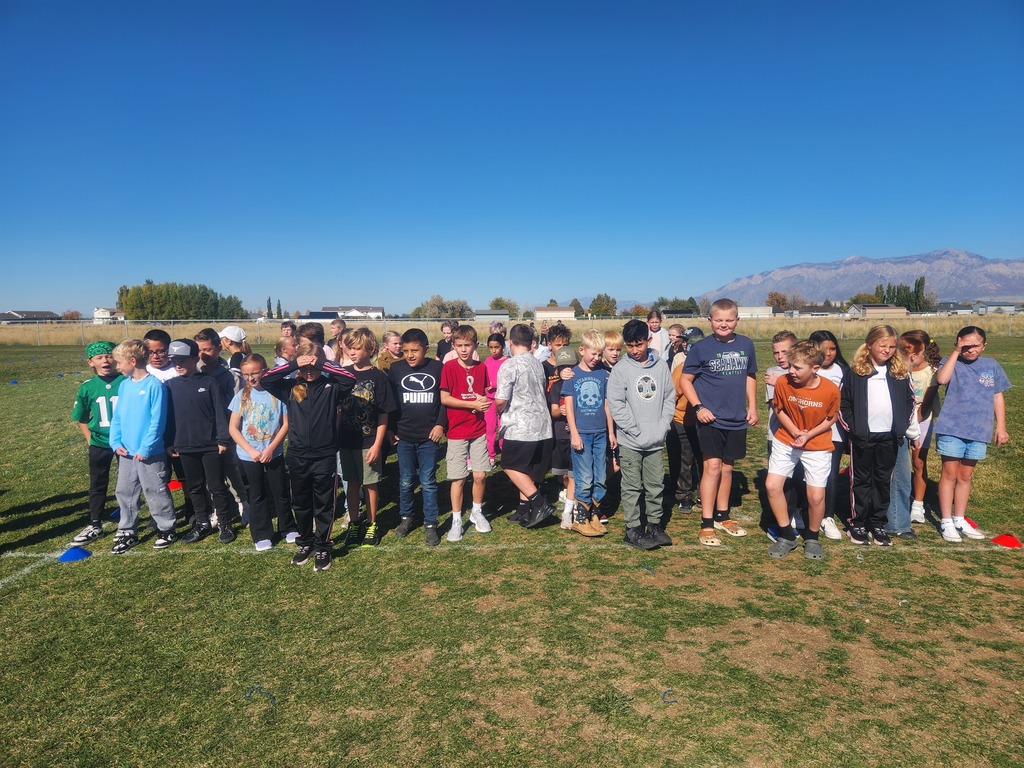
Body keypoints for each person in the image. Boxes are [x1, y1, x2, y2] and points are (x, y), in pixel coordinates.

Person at [262, 341, 356, 571]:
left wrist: (322, 363)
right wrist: (294, 365)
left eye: (313, 367)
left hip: (324, 455)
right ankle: (306, 542)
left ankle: (323, 545)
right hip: (297, 455)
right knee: (301, 502)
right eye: (305, 368)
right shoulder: (292, 386)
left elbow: (350, 379)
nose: (309, 372)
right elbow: (266, 379)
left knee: (324, 503)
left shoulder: (332, 385)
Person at [680, 298, 758, 546]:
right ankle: (706, 522)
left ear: (737, 320)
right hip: (710, 419)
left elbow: (750, 376)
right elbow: (685, 381)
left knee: (727, 468)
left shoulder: (747, 344)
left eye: (729, 320)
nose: (724, 324)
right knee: (712, 467)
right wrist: (699, 407)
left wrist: (753, 407)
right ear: (710, 321)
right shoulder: (700, 348)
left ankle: (723, 517)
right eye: (718, 320)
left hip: (736, 418)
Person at [839, 325, 916, 546]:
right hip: (863, 437)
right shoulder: (855, 372)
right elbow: (843, 403)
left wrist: (901, 426)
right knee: (861, 481)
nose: (888, 350)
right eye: (883, 345)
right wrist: (854, 428)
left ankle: (878, 523)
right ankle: (858, 523)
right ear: (870, 344)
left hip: (890, 437)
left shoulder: (899, 372)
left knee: (883, 481)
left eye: (892, 346)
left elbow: (910, 400)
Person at [763, 342, 840, 559]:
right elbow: (779, 410)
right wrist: (796, 431)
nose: (791, 372)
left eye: (798, 368)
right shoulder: (783, 383)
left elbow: (831, 418)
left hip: (817, 444)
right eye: (790, 366)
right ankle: (787, 534)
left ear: (815, 369)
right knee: (772, 485)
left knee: (815, 496)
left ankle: (812, 538)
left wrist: (808, 435)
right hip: (786, 439)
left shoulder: (830, 389)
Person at [933, 326, 1010, 542]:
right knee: (949, 474)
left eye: (975, 345)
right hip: (952, 428)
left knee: (965, 476)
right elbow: (942, 380)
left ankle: (959, 518)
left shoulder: (991, 366)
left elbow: (997, 396)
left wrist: (1000, 427)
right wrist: (956, 353)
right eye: (965, 345)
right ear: (958, 343)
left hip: (979, 430)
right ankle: (946, 521)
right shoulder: (951, 361)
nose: (970, 350)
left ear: (984, 346)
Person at [607, 319, 675, 549]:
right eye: (630, 346)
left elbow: (668, 397)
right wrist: (634, 430)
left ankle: (655, 526)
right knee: (632, 486)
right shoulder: (621, 370)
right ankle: (633, 529)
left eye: (639, 344)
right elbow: (616, 404)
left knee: (656, 484)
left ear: (648, 340)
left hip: (655, 440)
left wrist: (662, 425)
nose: (635, 350)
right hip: (630, 440)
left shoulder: (661, 366)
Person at [107, 340, 178, 553]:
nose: (116, 367)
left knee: (154, 490)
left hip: (150, 453)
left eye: (119, 363)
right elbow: (118, 417)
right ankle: (127, 530)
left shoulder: (154, 386)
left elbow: (157, 422)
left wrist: (147, 448)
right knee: (125, 491)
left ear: (132, 361)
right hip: (127, 452)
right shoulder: (125, 385)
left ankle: (166, 528)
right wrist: (115, 441)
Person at [165, 338, 236, 545]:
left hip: (210, 445)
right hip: (184, 446)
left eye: (183, 360)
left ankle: (224, 523)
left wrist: (222, 439)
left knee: (216, 486)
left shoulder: (209, 383)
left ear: (195, 358)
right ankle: (202, 523)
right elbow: (168, 418)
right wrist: (170, 442)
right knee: (194, 487)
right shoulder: (170, 386)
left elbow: (220, 414)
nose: (178, 364)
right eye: (174, 360)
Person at [228, 354, 297, 551]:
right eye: (246, 374)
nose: (250, 378)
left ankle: (288, 528)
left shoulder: (276, 393)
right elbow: (233, 428)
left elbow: (286, 424)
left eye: (255, 373)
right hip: (249, 456)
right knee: (257, 495)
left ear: (265, 371)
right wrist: (250, 450)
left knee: (281, 492)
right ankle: (261, 534)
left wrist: (271, 448)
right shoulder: (241, 395)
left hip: (272, 453)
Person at [388, 328, 448, 546]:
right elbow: (391, 404)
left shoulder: (437, 368)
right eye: (405, 351)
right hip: (403, 437)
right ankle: (406, 518)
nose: (410, 355)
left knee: (428, 481)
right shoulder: (395, 369)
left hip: (429, 438)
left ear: (426, 349)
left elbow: (444, 401)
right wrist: (390, 429)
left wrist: (441, 424)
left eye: (415, 350)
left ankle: (430, 523)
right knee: (405, 481)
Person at [338, 328, 396, 548]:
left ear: (370, 349)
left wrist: (377, 444)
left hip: (368, 442)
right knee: (352, 484)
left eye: (357, 348)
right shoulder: (342, 374)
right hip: (346, 441)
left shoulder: (378, 377)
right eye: (349, 347)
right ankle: (354, 522)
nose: (352, 352)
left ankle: (372, 524)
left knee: (370, 484)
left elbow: (384, 414)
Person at [495, 323, 556, 529]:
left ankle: (539, 503)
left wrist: (496, 407)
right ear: (531, 343)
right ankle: (524, 508)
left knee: (510, 465)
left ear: (510, 343)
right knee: (527, 469)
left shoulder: (509, 365)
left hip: (521, 426)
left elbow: (501, 399)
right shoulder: (537, 363)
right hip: (543, 425)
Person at [70, 340, 126, 545]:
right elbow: (82, 418)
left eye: (109, 356)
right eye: (100, 357)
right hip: (99, 442)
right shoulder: (87, 387)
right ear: (90, 362)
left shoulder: (126, 381)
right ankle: (95, 523)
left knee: (127, 483)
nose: (106, 361)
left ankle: (127, 521)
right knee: (97, 483)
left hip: (125, 443)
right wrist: (89, 441)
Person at [440, 324, 492, 542]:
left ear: (475, 346)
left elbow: (483, 395)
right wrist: (470, 403)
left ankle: (477, 511)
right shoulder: (449, 367)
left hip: (478, 430)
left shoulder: (481, 368)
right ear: (453, 345)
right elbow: (445, 398)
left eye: (467, 345)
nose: (463, 349)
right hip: (457, 431)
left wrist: (483, 401)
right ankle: (456, 519)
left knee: (480, 475)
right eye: (459, 345)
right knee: (459, 478)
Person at [195, 328, 248, 529]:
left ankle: (243, 503)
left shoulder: (229, 376)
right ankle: (217, 508)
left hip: (223, 431)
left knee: (230, 469)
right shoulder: (194, 371)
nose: (203, 355)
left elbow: (234, 408)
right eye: (199, 350)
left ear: (219, 348)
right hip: (201, 431)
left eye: (208, 349)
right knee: (208, 475)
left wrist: (226, 434)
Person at [564, 330, 614, 536]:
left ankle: (594, 513)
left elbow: (606, 405)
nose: (597, 358)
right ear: (582, 350)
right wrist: (574, 434)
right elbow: (568, 407)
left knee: (601, 476)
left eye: (600, 354)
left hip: (601, 433)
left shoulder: (603, 374)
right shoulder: (572, 376)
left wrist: (611, 432)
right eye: (593, 354)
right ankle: (580, 518)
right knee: (584, 477)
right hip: (582, 434)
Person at [807, 330, 850, 540]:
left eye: (832, 349)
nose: (829, 353)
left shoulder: (843, 371)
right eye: (824, 349)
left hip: (835, 433)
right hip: (807, 432)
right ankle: (804, 511)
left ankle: (828, 517)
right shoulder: (806, 369)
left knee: (831, 474)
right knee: (805, 474)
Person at [900, 330, 942, 525]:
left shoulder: (932, 371)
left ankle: (918, 504)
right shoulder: (899, 368)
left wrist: (913, 424)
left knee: (918, 463)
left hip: (920, 419)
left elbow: (925, 404)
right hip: (901, 419)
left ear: (921, 350)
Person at [764, 331, 802, 534]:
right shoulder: (772, 372)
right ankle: (778, 522)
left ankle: (794, 512)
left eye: (785, 351)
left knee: (798, 479)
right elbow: (782, 406)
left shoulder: (799, 373)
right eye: (776, 352)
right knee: (779, 482)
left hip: (804, 436)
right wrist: (780, 381)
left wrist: (781, 381)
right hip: (778, 436)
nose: (780, 357)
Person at [549, 346, 580, 531]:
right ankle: (567, 491)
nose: (567, 370)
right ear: (557, 370)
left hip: (575, 434)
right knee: (562, 473)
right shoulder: (555, 386)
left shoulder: (578, 383)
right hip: (560, 434)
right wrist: (559, 411)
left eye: (571, 366)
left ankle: (573, 499)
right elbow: (553, 409)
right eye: (563, 367)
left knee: (574, 472)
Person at [482, 333, 507, 465]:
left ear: (502, 347)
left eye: (496, 347)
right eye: (491, 347)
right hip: (489, 400)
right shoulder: (487, 361)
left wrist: (495, 385)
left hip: (503, 400)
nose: (493, 350)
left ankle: (505, 453)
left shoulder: (508, 362)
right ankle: (490, 455)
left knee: (503, 427)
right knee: (490, 428)